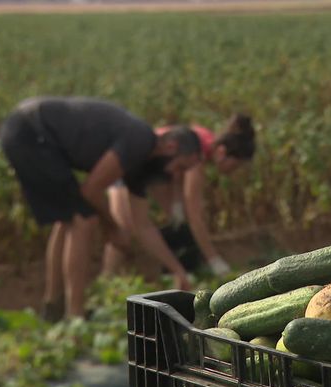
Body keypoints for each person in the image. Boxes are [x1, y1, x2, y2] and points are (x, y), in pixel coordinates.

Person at [0, 96, 201, 321]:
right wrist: (112, 227)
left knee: (69, 219)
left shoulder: (140, 164)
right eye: (180, 167)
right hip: (31, 132)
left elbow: (143, 226)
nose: (176, 175)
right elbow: (91, 191)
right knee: (84, 220)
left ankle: (53, 307)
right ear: (171, 147)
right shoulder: (139, 140)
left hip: (30, 132)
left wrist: (177, 270)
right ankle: (75, 314)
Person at [101, 114, 256, 277]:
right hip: (128, 164)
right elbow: (194, 216)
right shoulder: (197, 157)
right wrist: (215, 261)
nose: (234, 171)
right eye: (236, 165)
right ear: (222, 152)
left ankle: (174, 270)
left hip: (152, 171)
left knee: (176, 225)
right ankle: (108, 279)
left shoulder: (205, 140)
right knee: (123, 228)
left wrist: (176, 202)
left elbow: (176, 174)